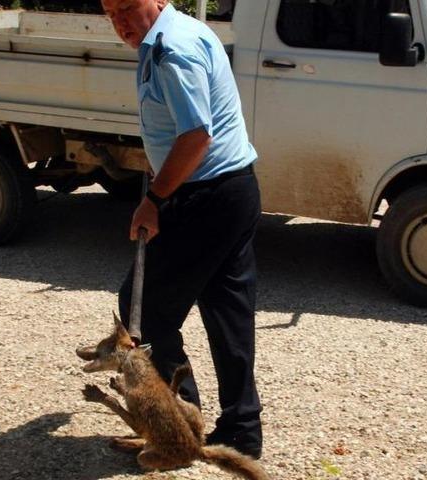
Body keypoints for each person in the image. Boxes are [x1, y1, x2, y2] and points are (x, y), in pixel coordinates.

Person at [101, 0, 264, 459]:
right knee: (227, 314)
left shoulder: (174, 50)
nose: (121, 23)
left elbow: (196, 136)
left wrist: (154, 200)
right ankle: (240, 432)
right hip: (232, 190)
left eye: (127, 8)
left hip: (206, 196)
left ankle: (176, 424)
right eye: (110, 13)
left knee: (146, 309)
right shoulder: (176, 34)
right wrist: (155, 187)